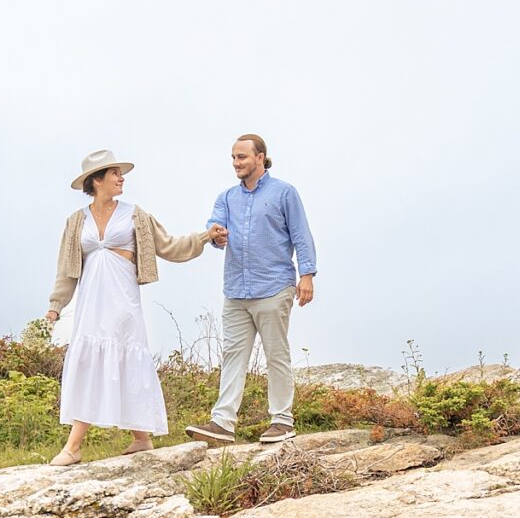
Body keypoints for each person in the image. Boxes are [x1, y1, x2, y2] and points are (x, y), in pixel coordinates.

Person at [46, 149, 217, 466]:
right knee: (90, 363)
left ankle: (73, 446)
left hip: (122, 301)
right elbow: (67, 269)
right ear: (96, 181)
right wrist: (56, 305)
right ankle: (141, 438)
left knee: (123, 360)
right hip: (90, 303)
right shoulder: (76, 222)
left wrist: (204, 236)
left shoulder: (135, 215)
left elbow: (170, 246)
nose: (121, 178)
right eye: (114, 173)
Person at [185, 133, 318, 446]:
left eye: (242, 157)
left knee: (276, 354)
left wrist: (307, 275)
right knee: (233, 355)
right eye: (233, 157)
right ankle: (222, 423)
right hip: (235, 291)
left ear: (260, 157)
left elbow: (301, 235)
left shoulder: (284, 193)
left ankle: (282, 421)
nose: (236, 163)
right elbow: (215, 228)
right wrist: (215, 235)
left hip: (274, 286)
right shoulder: (227, 197)